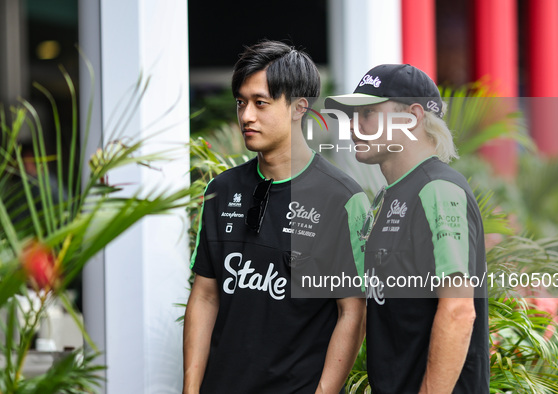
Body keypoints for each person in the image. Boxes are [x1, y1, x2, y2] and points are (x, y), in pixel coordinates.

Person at [183, 40, 368, 394]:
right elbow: (205, 295)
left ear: (300, 107)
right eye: (241, 102)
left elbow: (353, 312)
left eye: (260, 103)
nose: (246, 116)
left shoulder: (341, 199)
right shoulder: (221, 190)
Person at [325, 64, 489, 393]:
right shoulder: (387, 198)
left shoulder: (439, 190)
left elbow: (458, 310)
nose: (354, 127)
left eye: (368, 113)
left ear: (412, 116)